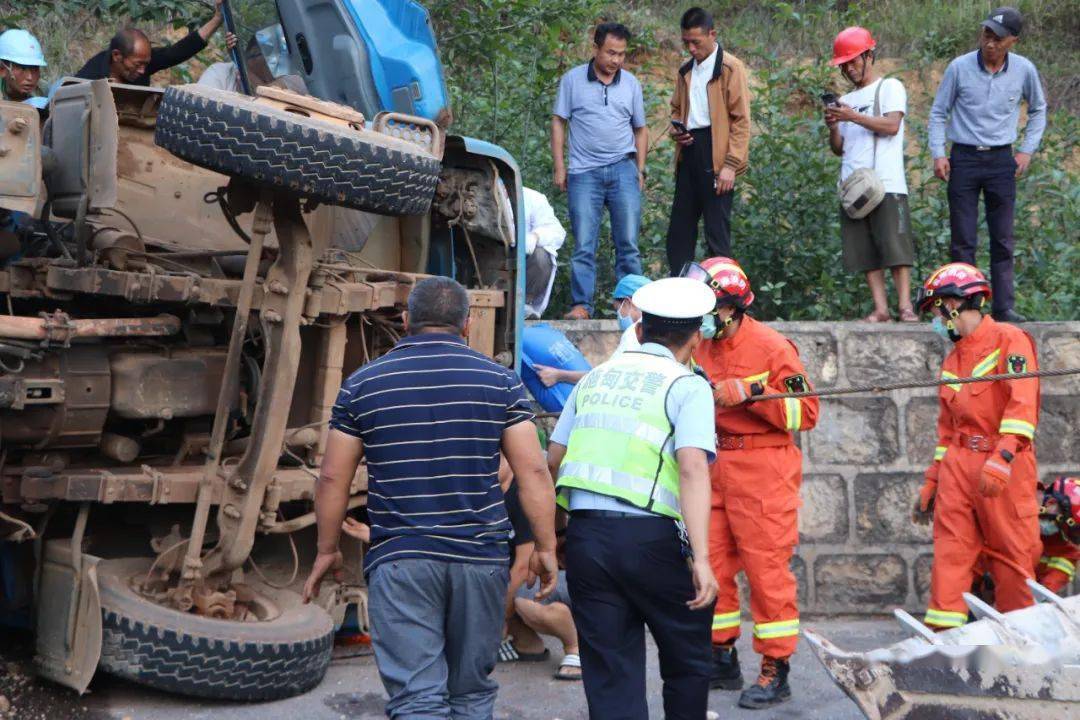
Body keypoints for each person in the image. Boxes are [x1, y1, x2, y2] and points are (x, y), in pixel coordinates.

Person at [303, 277, 558, 719]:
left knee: (417, 699)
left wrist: (327, 549)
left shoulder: (363, 385)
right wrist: (547, 546)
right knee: (471, 693)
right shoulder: (500, 383)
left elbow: (331, 478)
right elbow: (533, 470)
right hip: (479, 558)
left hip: (401, 560)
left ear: (405, 321)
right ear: (467, 323)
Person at [548, 276, 720, 720]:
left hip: (586, 539)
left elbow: (553, 460)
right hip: (651, 541)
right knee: (686, 659)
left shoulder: (594, 380)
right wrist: (701, 559)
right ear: (696, 338)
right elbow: (692, 467)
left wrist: (558, 533)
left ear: (639, 330)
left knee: (610, 672)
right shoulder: (687, 385)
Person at [685, 257, 819, 709]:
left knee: (767, 574)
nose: (700, 318)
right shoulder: (700, 344)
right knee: (713, 565)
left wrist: (753, 394)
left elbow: (807, 413)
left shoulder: (773, 346)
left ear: (730, 308)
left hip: (763, 469)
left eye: (707, 309)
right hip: (713, 464)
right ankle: (720, 656)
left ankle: (775, 668)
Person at [911, 262, 1040, 630]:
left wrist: (1003, 456)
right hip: (958, 463)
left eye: (937, 309)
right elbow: (946, 429)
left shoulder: (1009, 340)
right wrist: (934, 479)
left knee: (1012, 554)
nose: (936, 318)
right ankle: (945, 642)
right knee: (950, 553)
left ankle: (1024, 639)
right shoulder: (954, 358)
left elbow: (1022, 403)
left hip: (1001, 464)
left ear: (955, 304)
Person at [928, 7, 1047, 324]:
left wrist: (1026, 151)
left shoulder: (1023, 70)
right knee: (963, 239)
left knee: (1003, 238)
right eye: (986, 35)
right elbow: (939, 112)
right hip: (963, 158)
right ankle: (966, 306)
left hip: (1001, 160)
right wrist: (939, 153)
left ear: (1012, 41)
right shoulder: (959, 68)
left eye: (997, 38)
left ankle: (1003, 307)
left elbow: (1038, 110)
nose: (989, 43)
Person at [552, 22, 646, 320]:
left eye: (621, 54)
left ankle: (631, 307)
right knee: (583, 245)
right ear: (596, 49)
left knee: (628, 244)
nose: (616, 60)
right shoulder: (572, 80)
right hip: (584, 173)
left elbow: (641, 129)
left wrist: (639, 170)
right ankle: (582, 306)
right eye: (610, 53)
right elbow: (558, 122)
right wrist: (560, 166)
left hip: (623, 170)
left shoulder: (631, 83)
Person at [825, 27, 915, 323]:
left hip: (885, 182)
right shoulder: (848, 99)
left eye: (853, 61)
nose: (849, 69)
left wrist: (852, 116)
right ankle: (881, 308)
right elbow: (840, 149)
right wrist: (835, 126)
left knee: (896, 246)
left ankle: (905, 307)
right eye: (844, 64)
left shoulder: (889, 87)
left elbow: (891, 126)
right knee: (864, 251)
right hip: (853, 185)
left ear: (869, 55)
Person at [665, 7, 750, 274]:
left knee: (717, 234)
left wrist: (730, 165)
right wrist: (676, 129)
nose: (690, 48)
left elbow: (741, 121)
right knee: (679, 232)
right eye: (686, 42)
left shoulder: (730, 68)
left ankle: (722, 302)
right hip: (689, 150)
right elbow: (676, 110)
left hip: (717, 153)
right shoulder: (685, 71)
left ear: (712, 34)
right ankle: (680, 298)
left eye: (696, 42)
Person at [497, 461, 581, 681]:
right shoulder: (483, 491)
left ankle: (575, 649)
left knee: (524, 600)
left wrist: (499, 618)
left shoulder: (521, 493)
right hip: (509, 581)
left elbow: (523, 566)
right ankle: (528, 646)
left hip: (547, 579)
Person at [76, 0, 235, 85]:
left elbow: (175, 53)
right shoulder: (90, 76)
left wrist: (217, 19)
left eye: (146, 64)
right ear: (117, 55)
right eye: (137, 64)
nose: (142, 71)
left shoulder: (144, 64)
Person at [533, 273, 650, 388]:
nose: (618, 315)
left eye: (617, 309)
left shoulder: (634, 333)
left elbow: (607, 376)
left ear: (628, 303)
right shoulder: (656, 329)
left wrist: (559, 375)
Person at [522, 186, 567, 319]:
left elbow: (556, 231)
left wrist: (535, 236)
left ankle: (525, 303)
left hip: (523, 263)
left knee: (542, 256)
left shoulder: (532, 197)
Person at [1034, 476, 1079, 593]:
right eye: (1060, 523)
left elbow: (1056, 578)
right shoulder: (1015, 499)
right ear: (1051, 502)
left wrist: (1043, 592)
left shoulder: (1064, 546)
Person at [0, 29, 46, 105]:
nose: (30, 77)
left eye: (35, 68)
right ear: (2, 69)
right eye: (23, 68)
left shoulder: (43, 90)